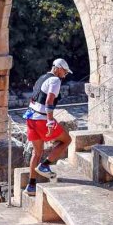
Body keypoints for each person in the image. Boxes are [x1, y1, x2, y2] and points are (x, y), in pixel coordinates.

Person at [23, 58, 74, 197]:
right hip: (41, 119)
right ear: (57, 68)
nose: (65, 74)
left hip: (30, 118)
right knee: (66, 140)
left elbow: (36, 97)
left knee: (36, 152)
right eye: (64, 71)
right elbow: (49, 101)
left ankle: (31, 186)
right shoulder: (55, 81)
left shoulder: (42, 78)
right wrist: (50, 121)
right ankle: (45, 165)